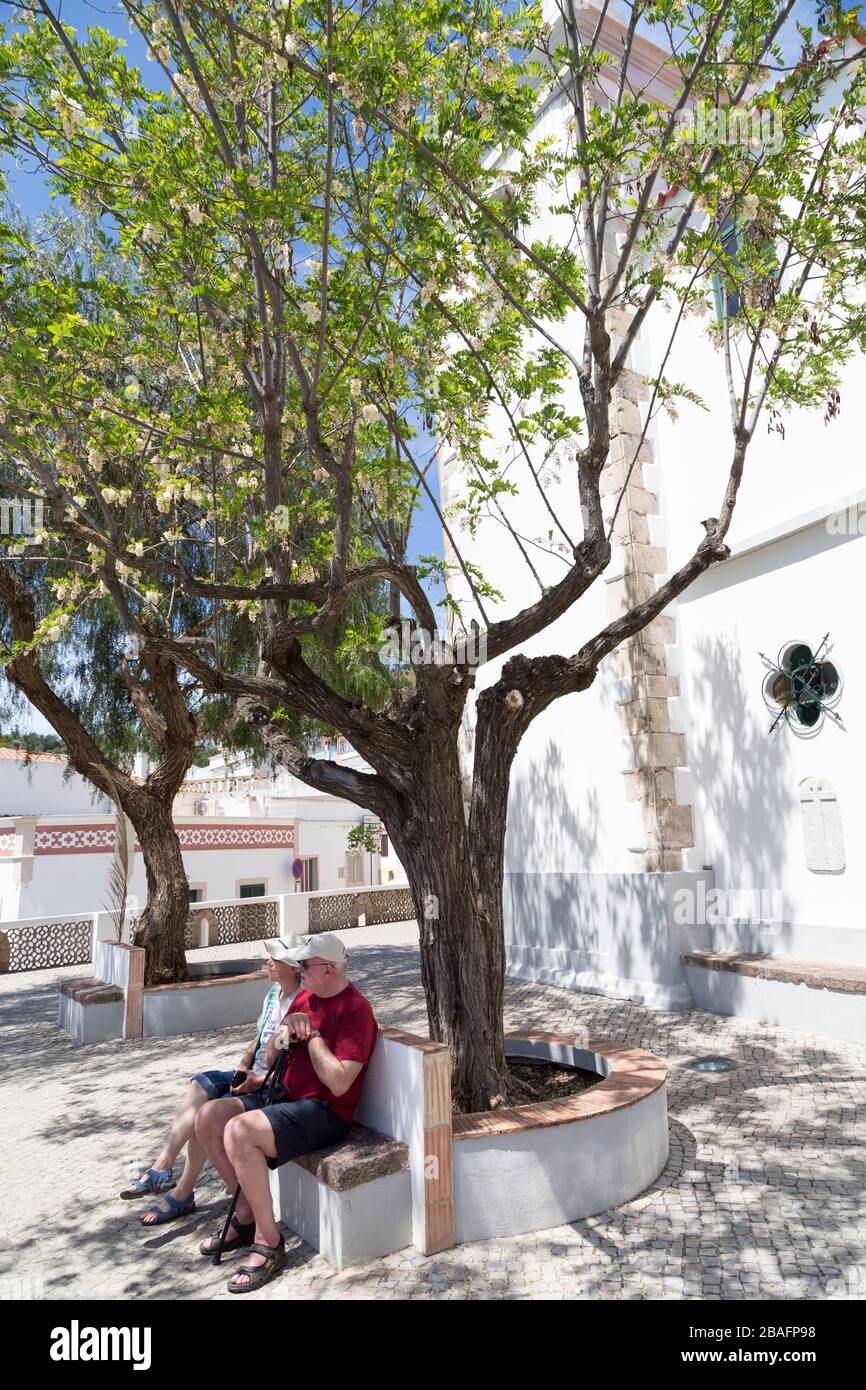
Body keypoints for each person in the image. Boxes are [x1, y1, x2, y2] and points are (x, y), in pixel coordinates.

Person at [195, 932, 378, 1293]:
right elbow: (270, 1056)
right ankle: (246, 1214)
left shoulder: (356, 1010)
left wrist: (313, 1039)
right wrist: (283, 1034)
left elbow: (340, 1083)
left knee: (238, 1131)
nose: (298, 969)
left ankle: (269, 1241)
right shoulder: (307, 996)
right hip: (281, 1095)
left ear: (327, 969)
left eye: (304, 964)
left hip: (323, 1112)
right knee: (208, 1118)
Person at [119, 938, 303, 1226]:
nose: (268, 962)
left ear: (294, 967)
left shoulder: (300, 1003)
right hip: (251, 1072)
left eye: (276, 958)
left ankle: (179, 1190)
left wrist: (257, 1078)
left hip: (269, 1083)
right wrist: (243, 1062)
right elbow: (259, 1038)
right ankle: (164, 1166)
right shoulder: (272, 995)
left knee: (206, 1114)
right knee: (200, 1085)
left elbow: (282, 1060)